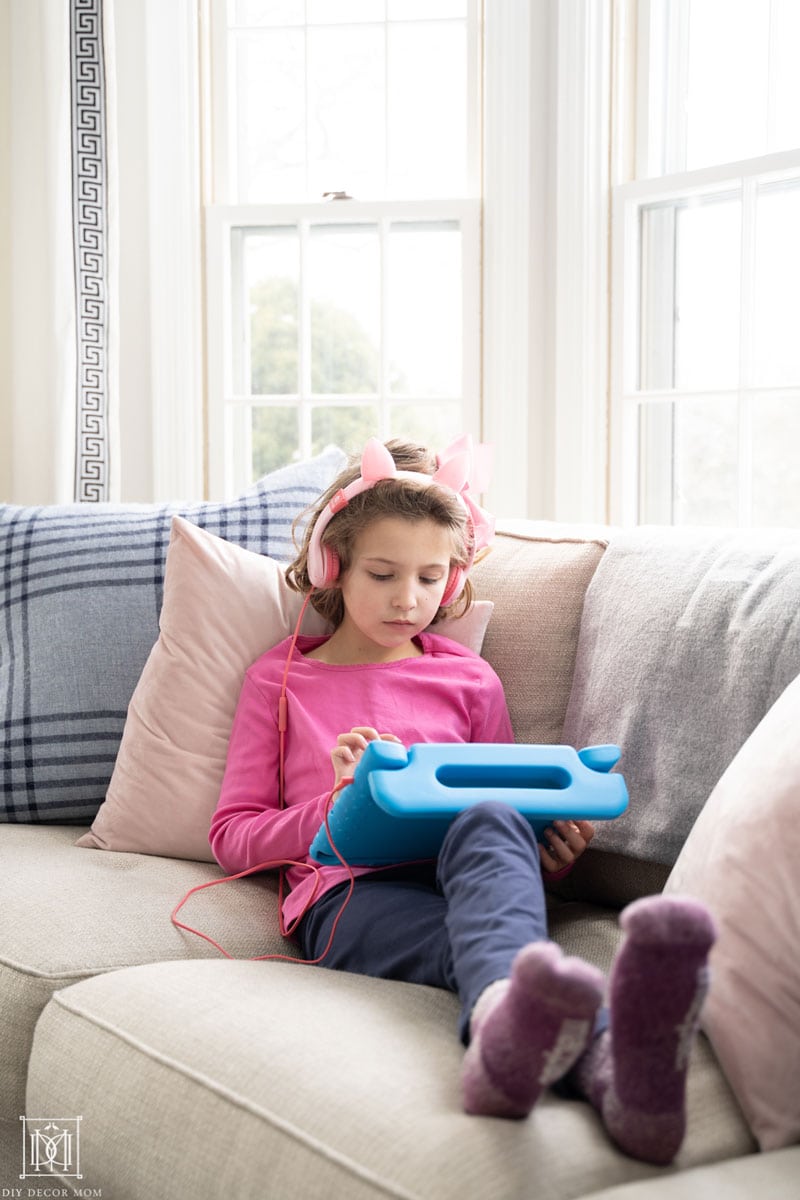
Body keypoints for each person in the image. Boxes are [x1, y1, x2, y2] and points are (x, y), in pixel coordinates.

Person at [209, 436, 716, 1166]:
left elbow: (499, 810)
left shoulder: (469, 679)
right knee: (501, 952)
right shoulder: (281, 680)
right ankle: (608, 1062)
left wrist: (552, 855)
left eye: (429, 577)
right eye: (382, 573)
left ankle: (526, 1053)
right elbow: (233, 835)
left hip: (467, 876)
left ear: (452, 582)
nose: (407, 597)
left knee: (493, 816)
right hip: (349, 891)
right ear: (334, 568)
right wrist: (339, 803)